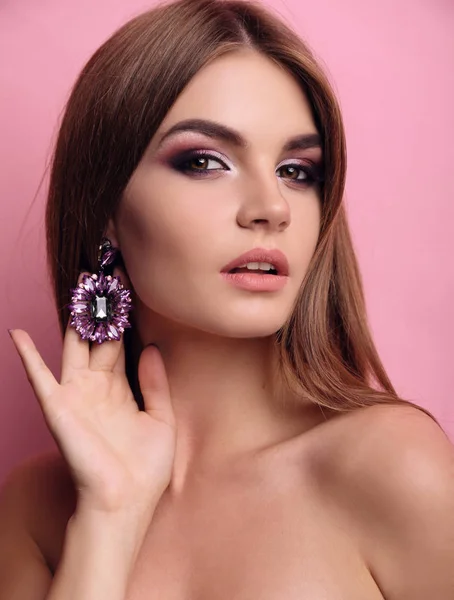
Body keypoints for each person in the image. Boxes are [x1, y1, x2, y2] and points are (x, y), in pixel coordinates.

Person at [1, 0, 453, 597]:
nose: (272, 207)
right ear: (107, 208)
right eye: (205, 161)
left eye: (298, 169)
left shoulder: (392, 467)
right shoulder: (35, 509)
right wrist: (109, 517)